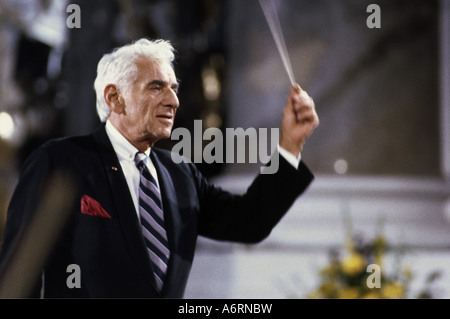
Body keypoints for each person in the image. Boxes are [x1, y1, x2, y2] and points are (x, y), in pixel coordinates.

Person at [0, 38, 319, 298]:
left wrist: (290, 146)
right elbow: (19, 274)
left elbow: (248, 222)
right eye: (156, 87)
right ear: (115, 97)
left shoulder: (181, 174)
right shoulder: (60, 162)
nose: (173, 101)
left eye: (174, 88)